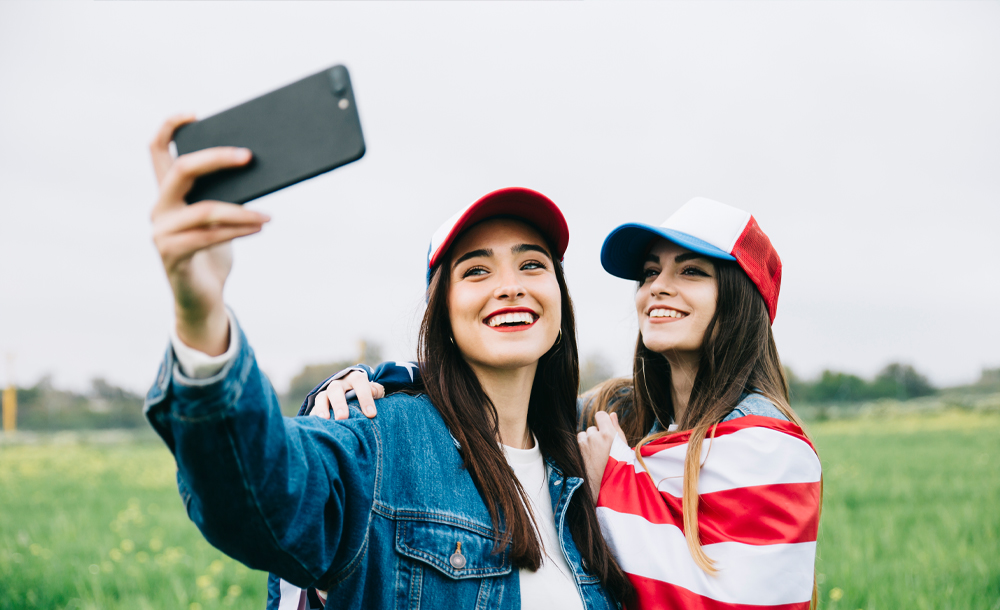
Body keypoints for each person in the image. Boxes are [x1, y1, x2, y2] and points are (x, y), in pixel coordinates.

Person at [143, 115, 633, 609]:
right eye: (477, 271)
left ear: (560, 298)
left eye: (532, 264)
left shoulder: (585, 464)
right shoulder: (381, 441)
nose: (510, 285)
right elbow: (256, 498)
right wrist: (200, 314)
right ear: (442, 313)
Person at [318, 197, 822, 610]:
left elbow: (734, 601)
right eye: (650, 272)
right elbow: (508, 396)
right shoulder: (620, 413)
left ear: (741, 297)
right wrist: (384, 378)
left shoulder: (767, 445)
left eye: (691, 271)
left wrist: (617, 482)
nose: (658, 288)